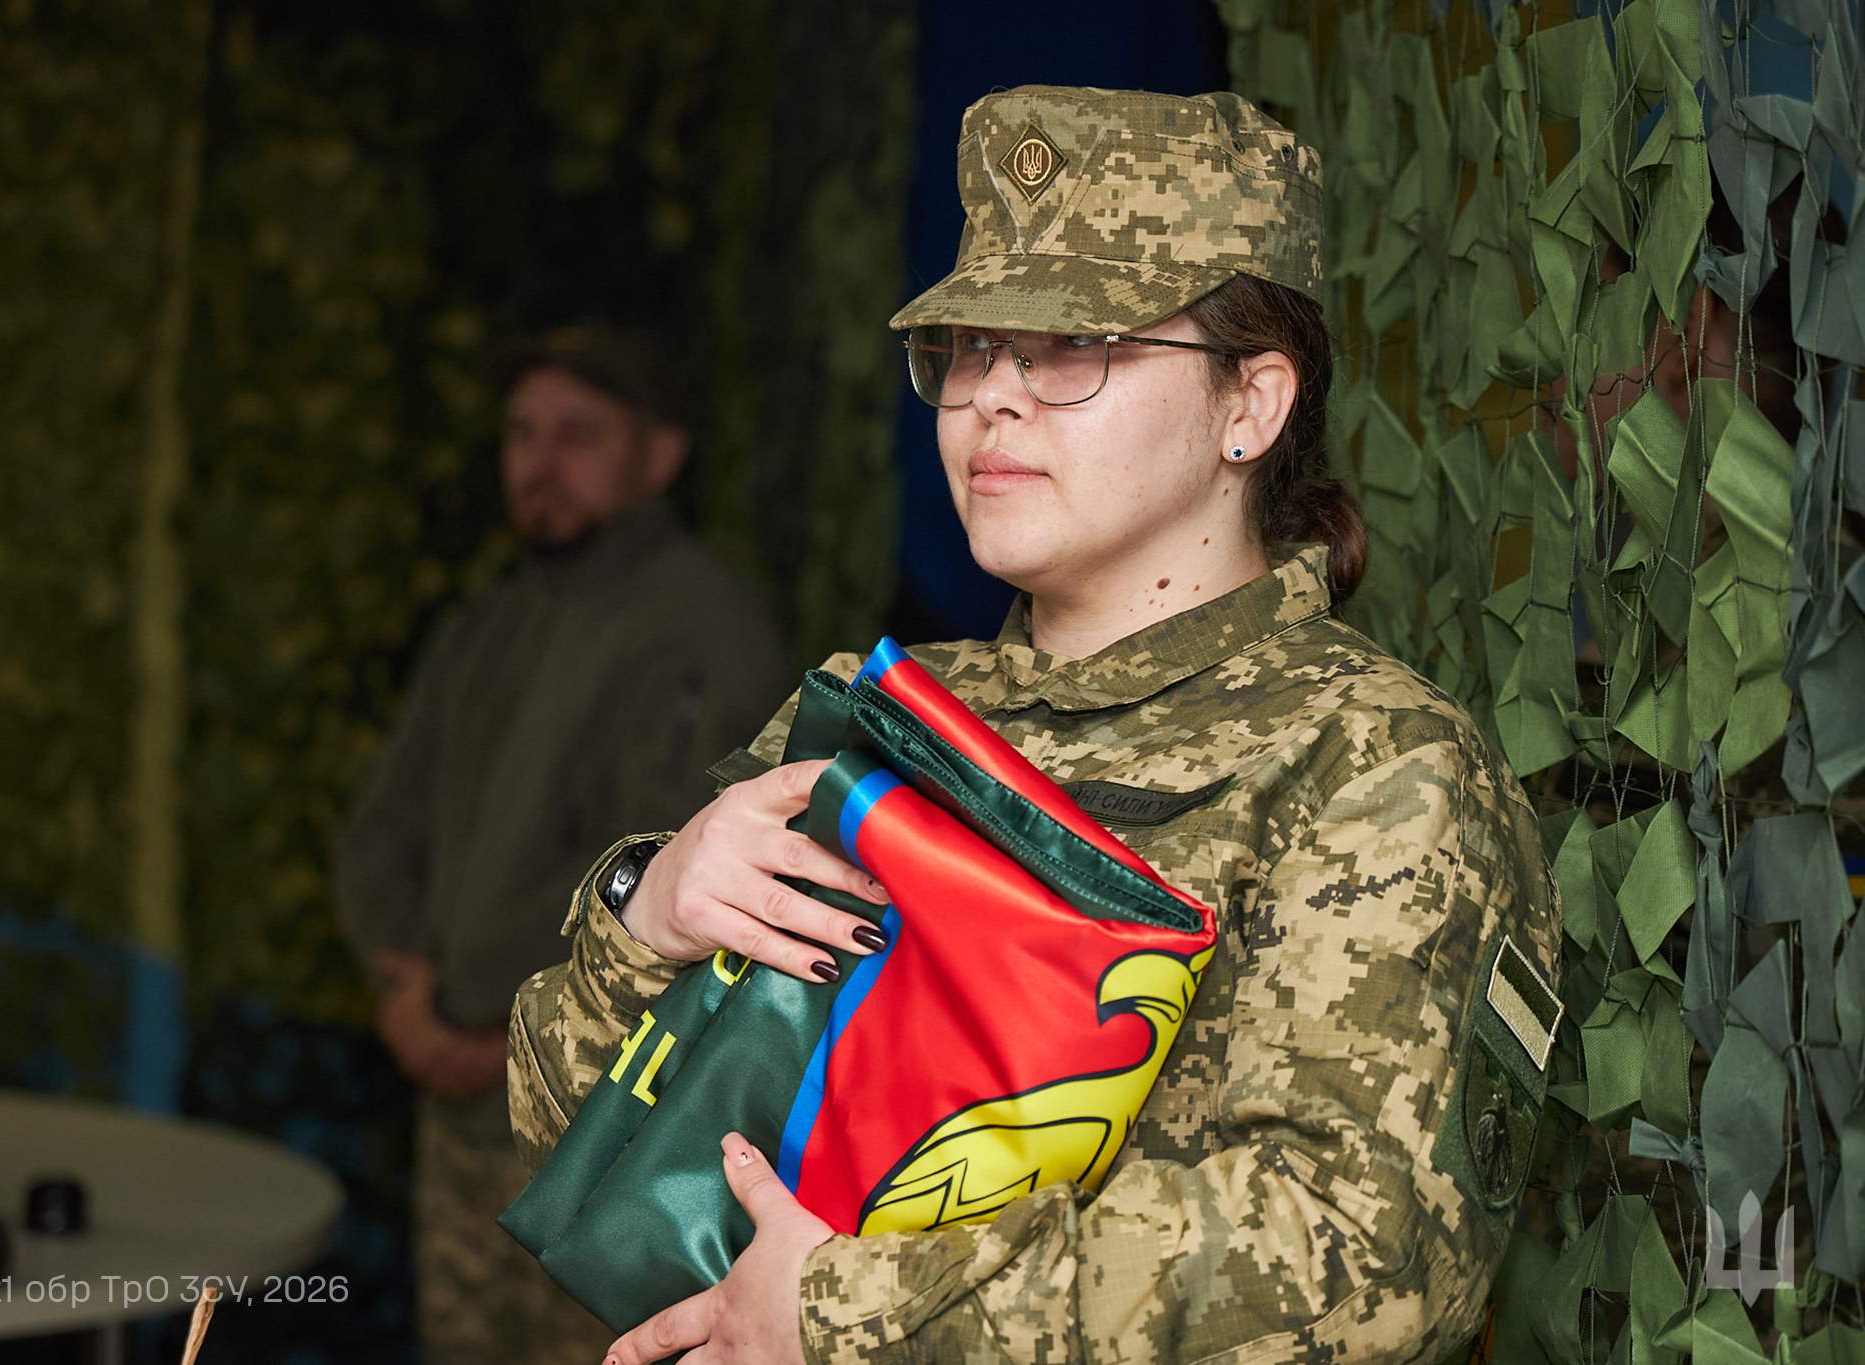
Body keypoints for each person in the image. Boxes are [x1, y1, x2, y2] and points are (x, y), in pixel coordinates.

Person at [508, 89, 1563, 1365]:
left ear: (1249, 405)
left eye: (1072, 346)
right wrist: (644, 916)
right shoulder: (879, 719)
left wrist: (847, 1313)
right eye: (969, 348)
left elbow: (1367, 1264)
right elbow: (576, 1137)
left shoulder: (1374, 764)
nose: (989, 400)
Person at [336, 325, 789, 1365]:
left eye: (578, 434)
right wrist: (402, 986)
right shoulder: (488, 624)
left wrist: (502, 1035)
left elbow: (669, 872)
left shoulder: (699, 627)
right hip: (454, 1108)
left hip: (609, 1125)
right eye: (521, 433)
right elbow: (379, 833)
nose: (540, 461)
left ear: (659, 456)